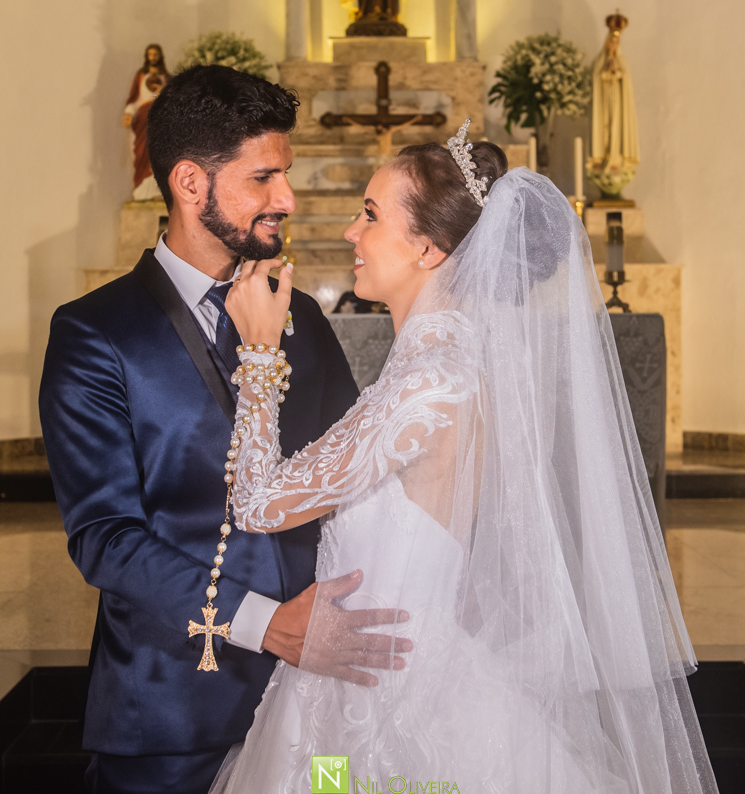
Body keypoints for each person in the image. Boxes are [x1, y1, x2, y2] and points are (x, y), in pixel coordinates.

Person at [212, 122, 719, 792]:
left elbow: (257, 505)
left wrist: (258, 354)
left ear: (426, 246)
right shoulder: (440, 366)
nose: (349, 235)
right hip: (368, 687)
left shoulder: (432, 380)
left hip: (394, 704)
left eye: (370, 215)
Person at [40, 65, 411, 794]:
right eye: (264, 178)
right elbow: (106, 539)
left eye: (287, 174)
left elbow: (354, 485)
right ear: (189, 183)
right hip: (172, 712)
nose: (288, 199)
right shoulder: (95, 335)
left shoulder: (301, 317)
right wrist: (268, 623)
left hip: (319, 705)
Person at [124, 44, 168, 200]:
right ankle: (141, 192)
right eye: (150, 54)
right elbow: (135, 99)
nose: (153, 57)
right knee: (142, 153)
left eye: (155, 54)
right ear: (146, 56)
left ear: (160, 56)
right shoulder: (141, 76)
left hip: (159, 120)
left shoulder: (166, 78)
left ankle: (157, 191)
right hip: (143, 121)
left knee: (159, 153)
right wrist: (129, 113)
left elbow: (169, 101)